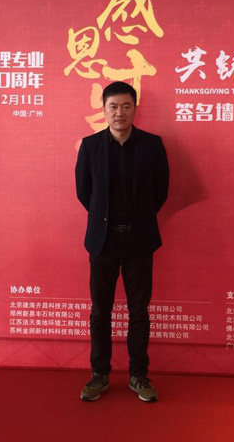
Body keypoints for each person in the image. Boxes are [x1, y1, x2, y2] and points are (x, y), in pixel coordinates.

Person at [75, 81, 169, 402]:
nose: (119, 113)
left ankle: (139, 375)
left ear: (134, 109)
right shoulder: (90, 147)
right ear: (104, 110)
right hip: (102, 241)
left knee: (138, 310)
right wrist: (104, 219)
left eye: (126, 106)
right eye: (113, 106)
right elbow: (84, 192)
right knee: (100, 311)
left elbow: (160, 191)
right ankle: (99, 374)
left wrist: (138, 220)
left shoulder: (152, 145)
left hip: (139, 240)